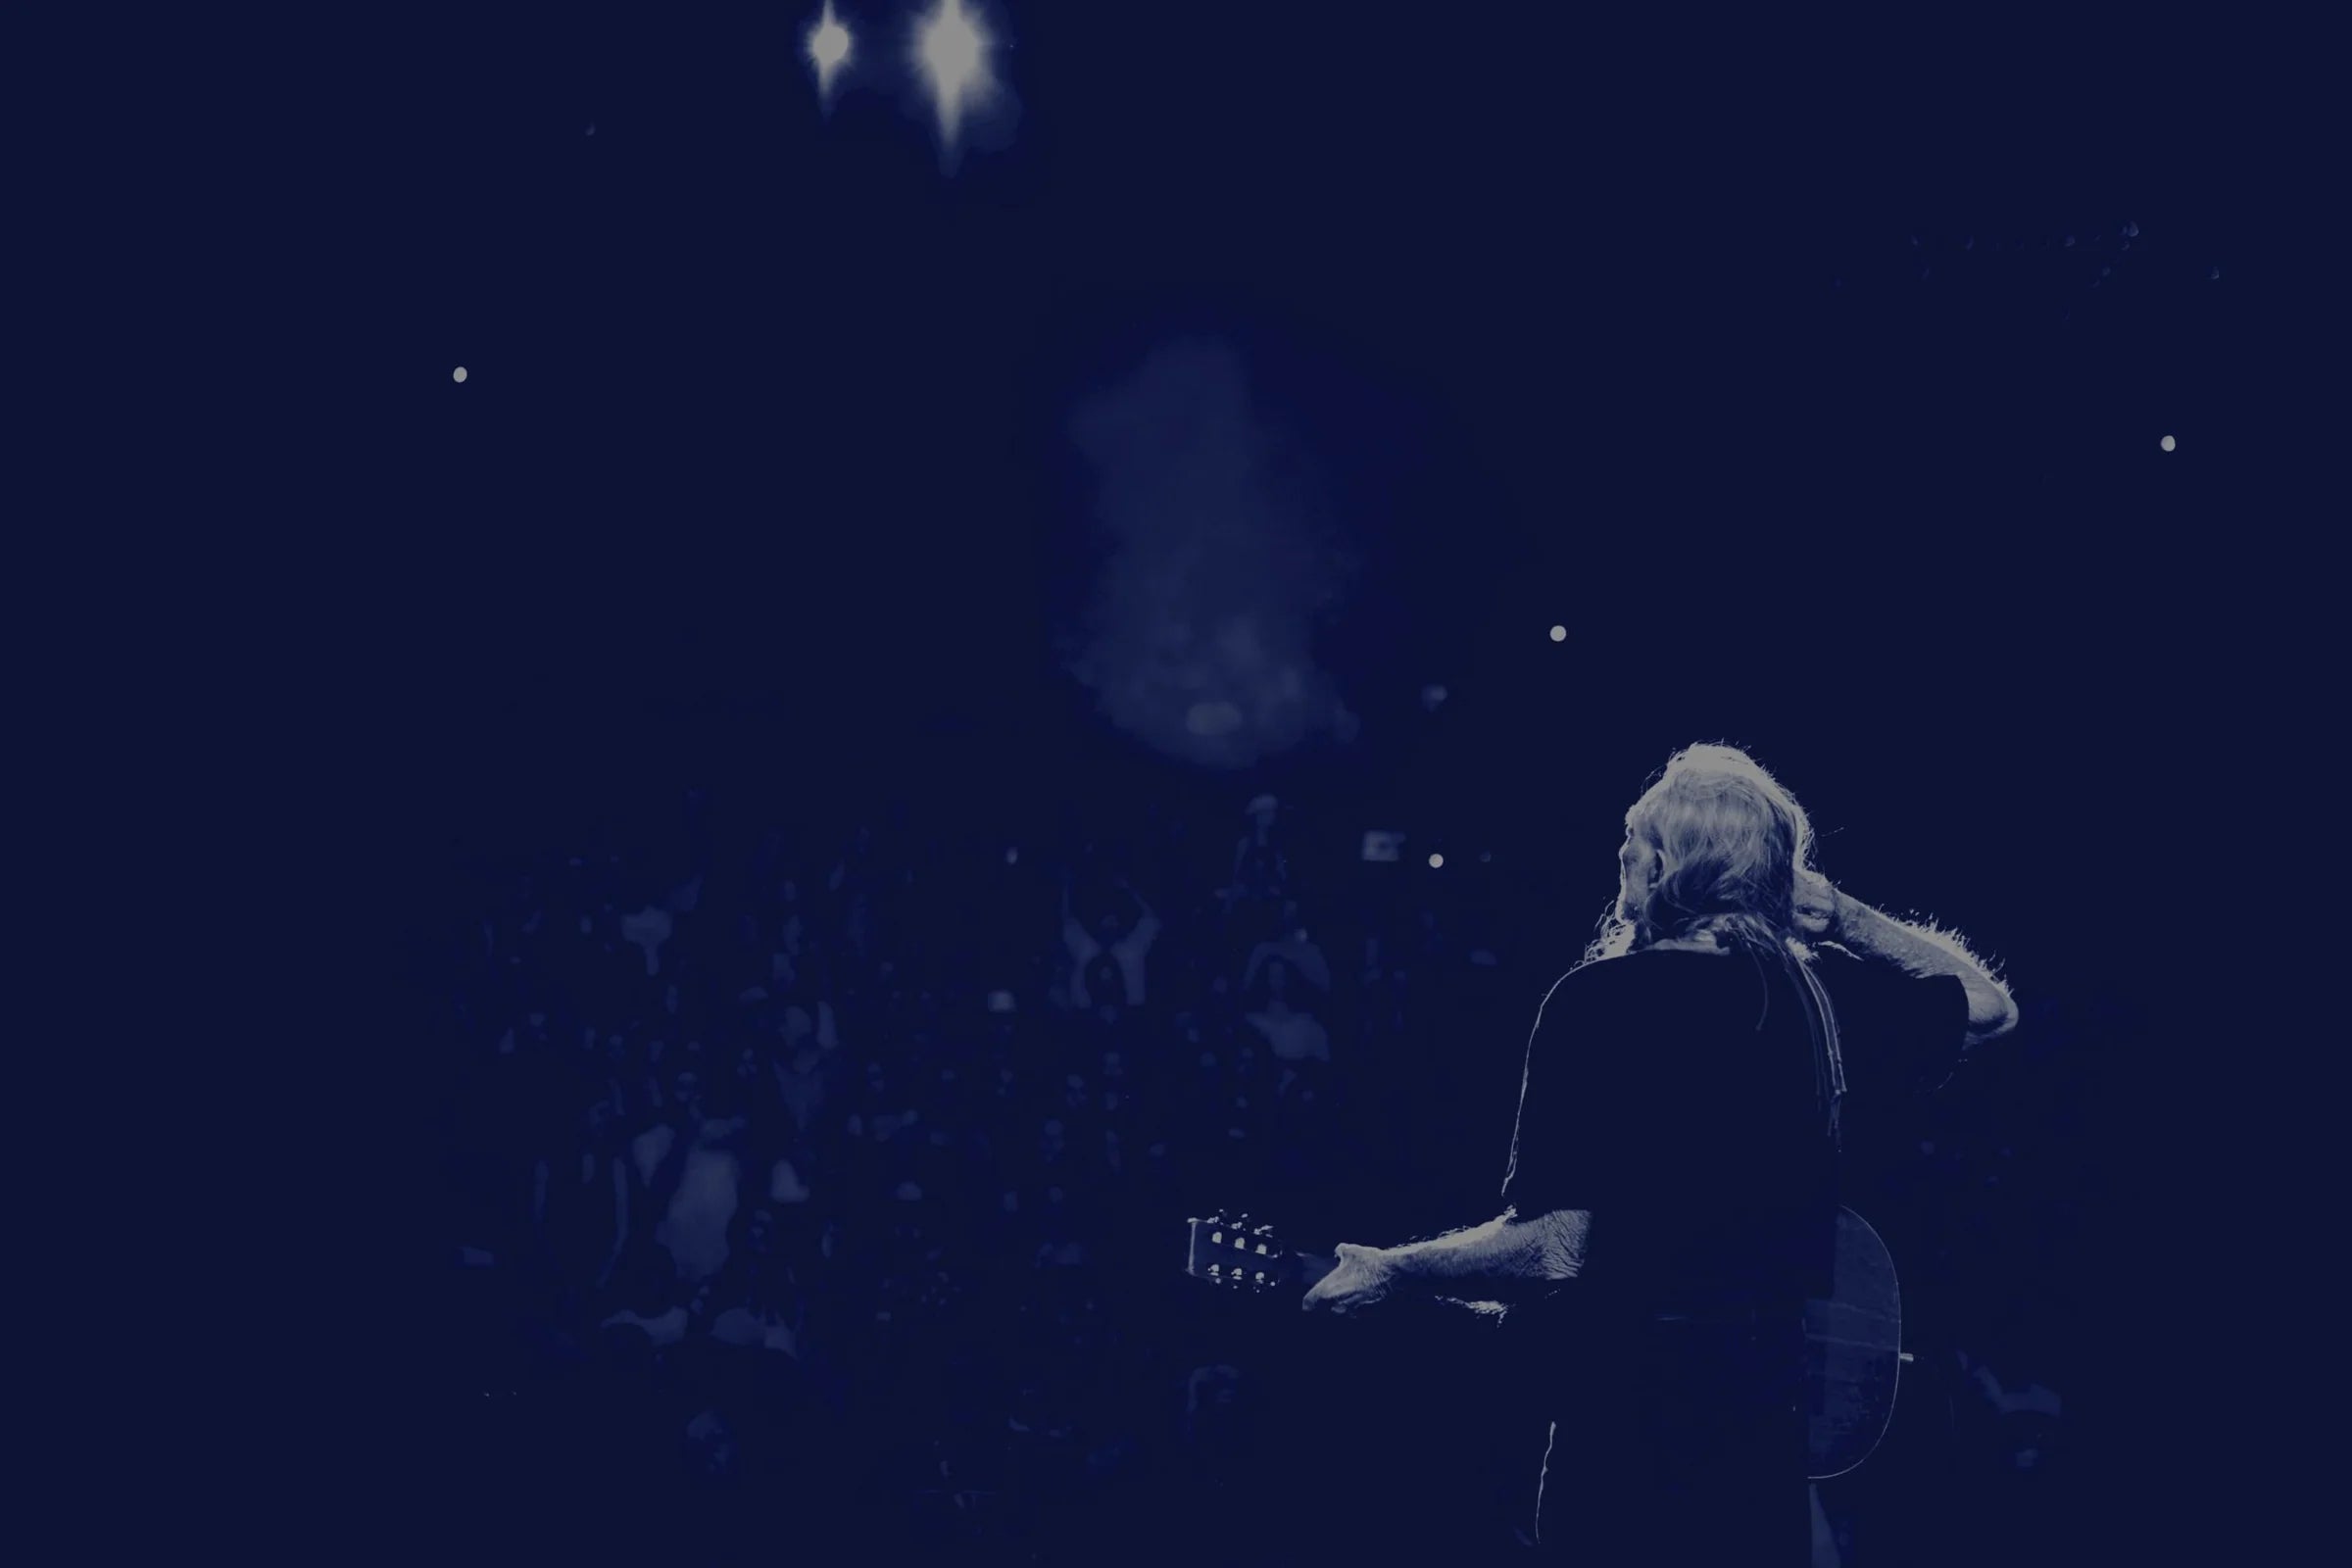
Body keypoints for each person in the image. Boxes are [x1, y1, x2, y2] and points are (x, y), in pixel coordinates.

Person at [1301, 744, 2019, 1562]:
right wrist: (1844, 916)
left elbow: (1556, 1248)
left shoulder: (1596, 1007)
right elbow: (1990, 1009)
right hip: (1761, 1456)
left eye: (1631, 845)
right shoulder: (1821, 999)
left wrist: (1396, 1270)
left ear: (1667, 864)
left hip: (1624, 1444)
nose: (1620, 863)